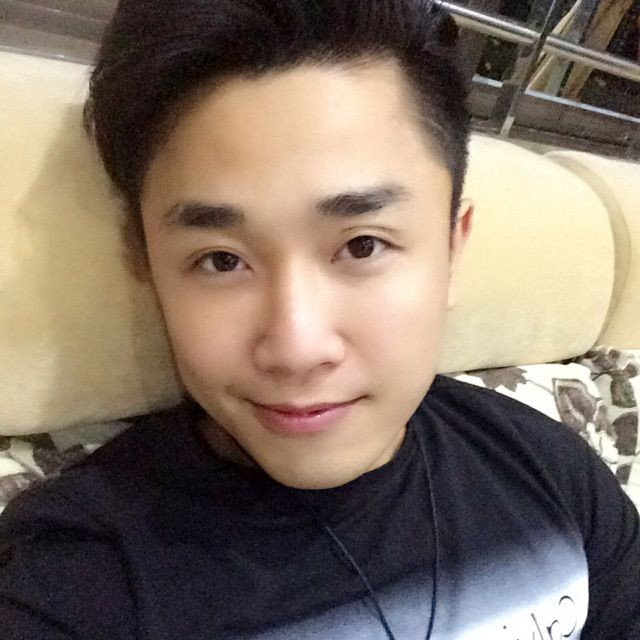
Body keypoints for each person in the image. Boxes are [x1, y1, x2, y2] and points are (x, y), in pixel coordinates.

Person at [1, 1, 639, 638]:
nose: (297, 347)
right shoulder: (78, 576)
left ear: (452, 248)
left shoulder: (546, 471)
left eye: (362, 245)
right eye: (221, 260)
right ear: (145, 263)